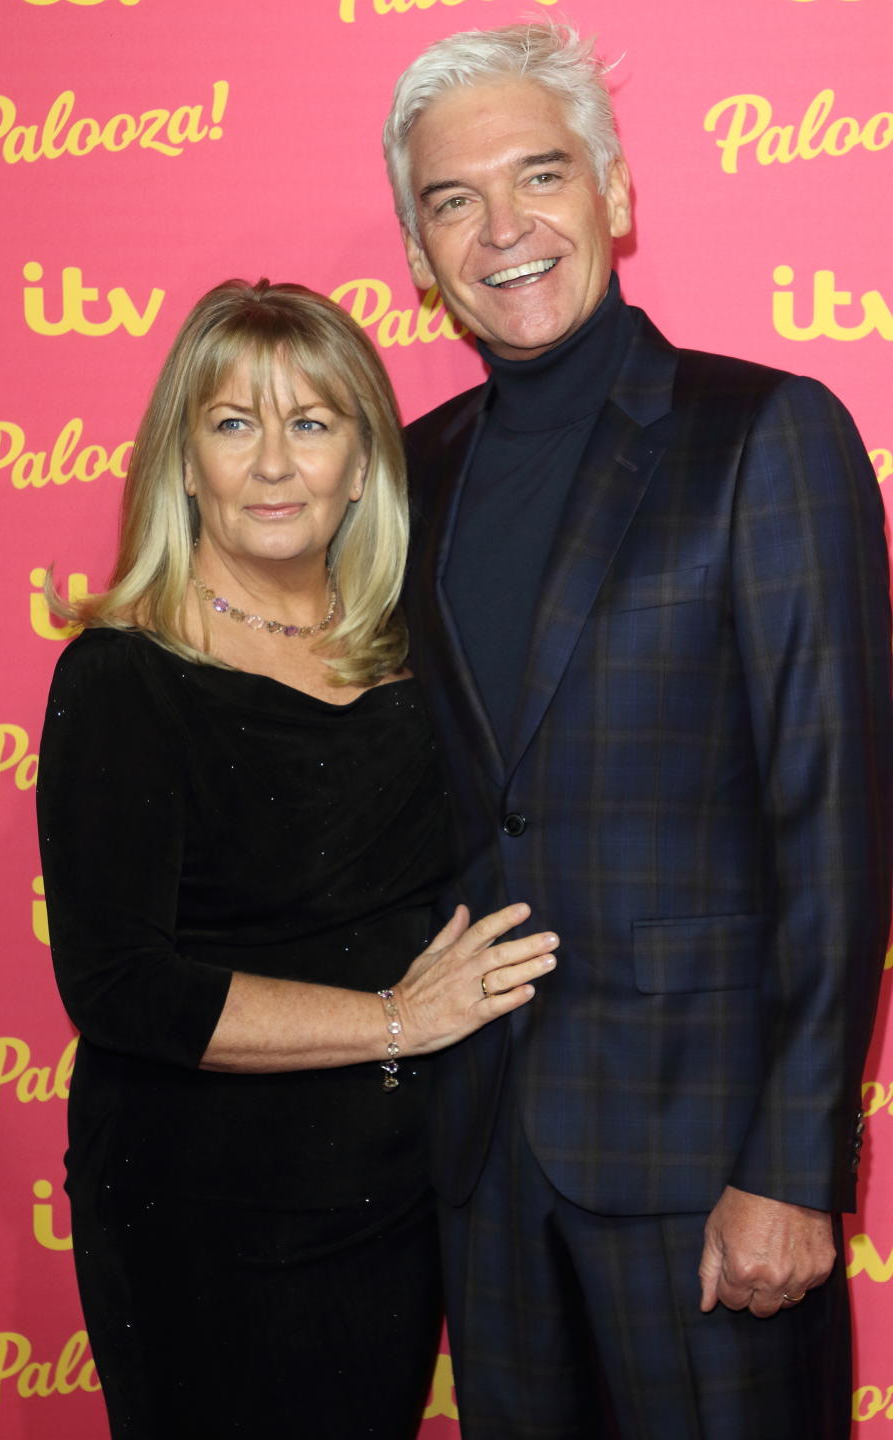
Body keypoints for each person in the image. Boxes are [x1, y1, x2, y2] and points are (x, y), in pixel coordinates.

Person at [382, 21, 892, 1440]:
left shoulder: (767, 435)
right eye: (452, 200)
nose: (504, 230)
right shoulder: (409, 476)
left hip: (707, 1175)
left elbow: (833, 823)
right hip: (481, 1170)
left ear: (614, 192)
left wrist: (793, 1167)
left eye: (540, 175)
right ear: (419, 253)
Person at [35, 278, 560, 1440]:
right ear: (183, 463)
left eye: (311, 424)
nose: (273, 464)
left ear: (365, 465)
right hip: (196, 1212)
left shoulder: (422, 665)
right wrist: (394, 1021)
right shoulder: (123, 677)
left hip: (389, 1204)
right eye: (233, 424)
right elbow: (122, 989)